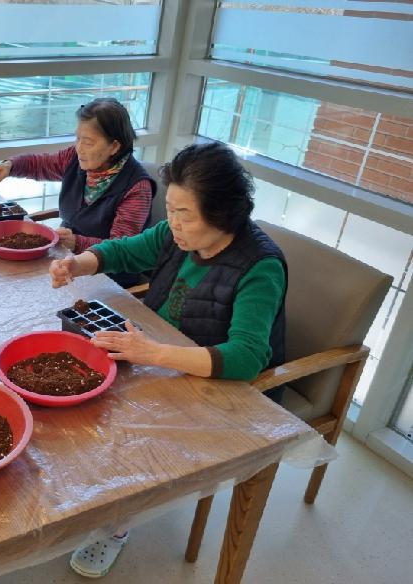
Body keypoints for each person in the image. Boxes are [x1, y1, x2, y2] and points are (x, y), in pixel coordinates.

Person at [49, 142, 287, 578]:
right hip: (162, 352)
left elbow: (247, 356)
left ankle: (115, 523)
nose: (172, 222)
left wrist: (152, 352)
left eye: (185, 214)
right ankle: (93, 497)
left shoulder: (260, 266)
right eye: (171, 209)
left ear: (223, 213)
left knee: (124, 428)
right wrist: (77, 264)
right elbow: (125, 250)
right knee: (80, 405)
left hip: (221, 385)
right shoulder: (175, 237)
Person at [0, 97, 156, 288]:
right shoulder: (75, 158)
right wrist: (10, 165)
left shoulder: (137, 188)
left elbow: (120, 250)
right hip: (66, 258)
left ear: (114, 147)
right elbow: (41, 164)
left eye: (88, 142)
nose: (79, 148)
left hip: (108, 279)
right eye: (78, 139)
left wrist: (77, 242)